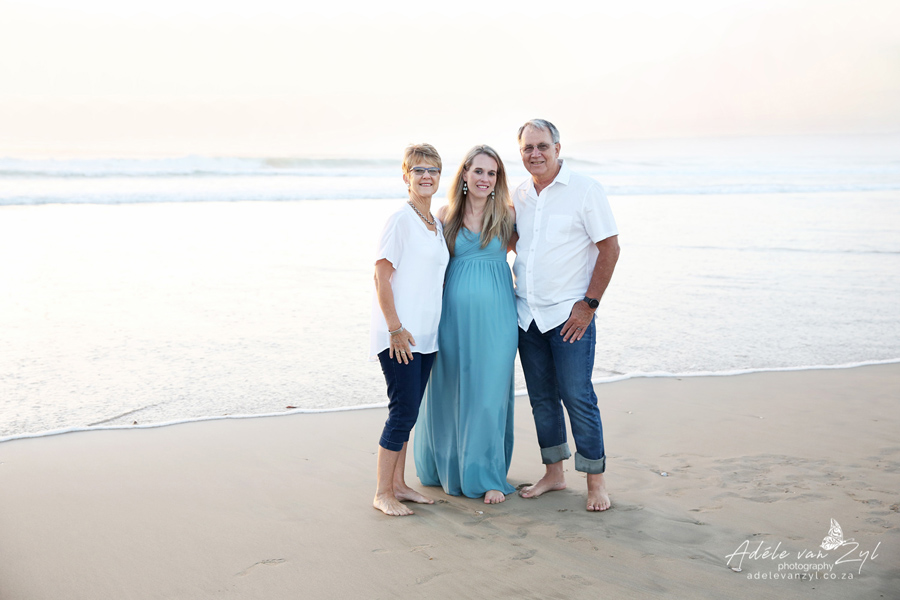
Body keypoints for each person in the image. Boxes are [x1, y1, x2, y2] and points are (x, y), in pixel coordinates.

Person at [512, 119, 620, 512]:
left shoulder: (585, 190)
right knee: (542, 399)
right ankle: (554, 474)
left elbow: (610, 248)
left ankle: (595, 482)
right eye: (528, 148)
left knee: (577, 396)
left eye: (542, 146)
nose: (535, 154)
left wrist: (589, 304)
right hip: (527, 315)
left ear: (558, 148)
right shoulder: (519, 194)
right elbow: (514, 243)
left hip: (569, 317)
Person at [414, 145, 518, 504]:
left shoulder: (507, 215)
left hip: (498, 317)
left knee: (489, 392)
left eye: (492, 173)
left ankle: (487, 475)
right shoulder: (446, 215)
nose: (484, 179)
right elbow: (428, 264)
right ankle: (447, 466)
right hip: (452, 318)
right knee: (450, 389)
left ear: (497, 179)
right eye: (478, 171)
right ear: (464, 175)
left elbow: (535, 255)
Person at [370, 143, 450, 517]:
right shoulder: (400, 220)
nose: (426, 176)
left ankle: (399, 485)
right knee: (401, 412)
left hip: (426, 337)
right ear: (406, 176)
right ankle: (382, 492)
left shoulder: (435, 225)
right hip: (400, 336)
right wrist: (395, 329)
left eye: (432, 170)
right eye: (418, 170)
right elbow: (381, 276)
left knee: (410, 413)